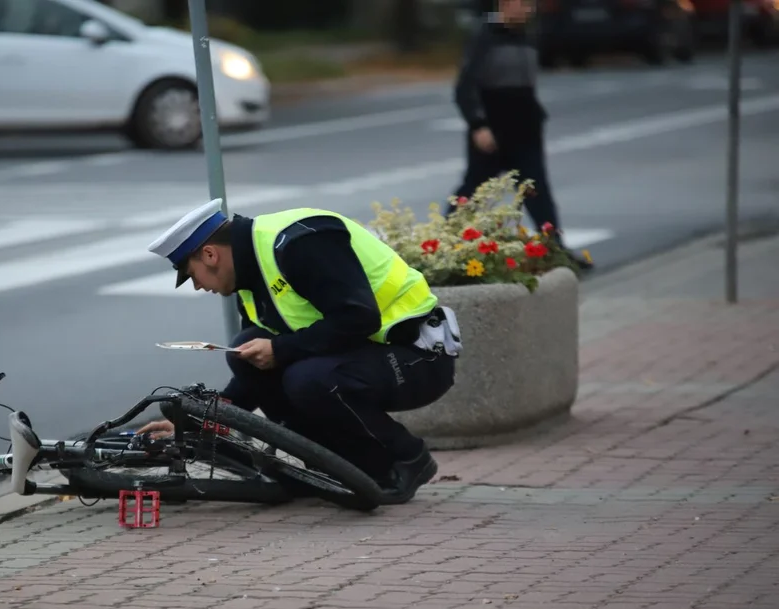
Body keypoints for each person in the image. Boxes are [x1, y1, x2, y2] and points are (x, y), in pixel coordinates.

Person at [135, 198, 462, 505]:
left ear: (210, 254)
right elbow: (255, 377)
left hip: (416, 355)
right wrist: (203, 420)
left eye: (191, 276)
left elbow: (360, 317)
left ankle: (407, 457)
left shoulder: (298, 244)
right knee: (246, 351)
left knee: (308, 380)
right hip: (365, 355)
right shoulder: (250, 280)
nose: (198, 287)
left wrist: (280, 348)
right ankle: (350, 465)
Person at [449, 0, 593, 270]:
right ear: (505, 4)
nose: (528, 10)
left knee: (537, 192)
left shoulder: (527, 37)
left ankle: (555, 250)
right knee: (474, 191)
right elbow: (465, 88)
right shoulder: (485, 37)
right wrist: (478, 124)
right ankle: (443, 243)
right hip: (492, 131)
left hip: (525, 129)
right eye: (522, 4)